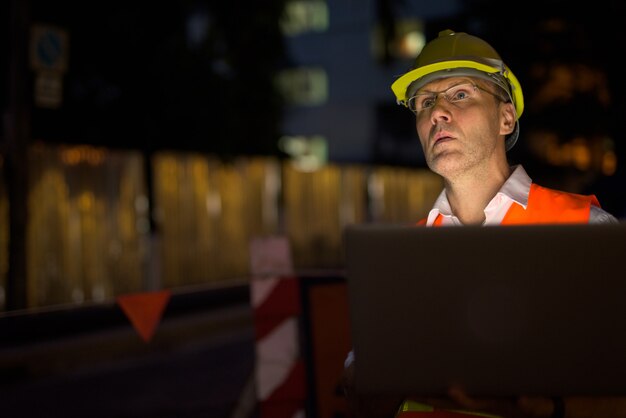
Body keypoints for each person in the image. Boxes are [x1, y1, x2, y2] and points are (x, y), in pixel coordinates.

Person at [341, 29, 622, 418]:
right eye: (424, 102)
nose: (436, 112)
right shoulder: (401, 258)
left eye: (460, 94)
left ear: (506, 117)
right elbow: (360, 390)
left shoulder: (585, 228)